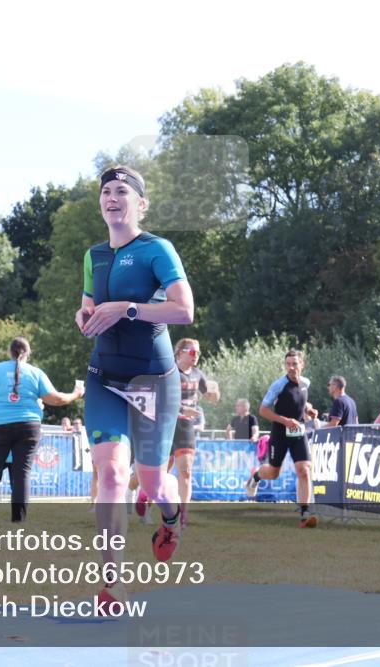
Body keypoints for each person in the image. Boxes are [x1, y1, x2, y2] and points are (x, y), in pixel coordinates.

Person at [75, 165, 193, 613]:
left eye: (122, 191)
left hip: (153, 380)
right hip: (104, 376)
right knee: (111, 476)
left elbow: (184, 310)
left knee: (153, 482)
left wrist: (126, 309)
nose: (112, 197)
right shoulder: (93, 255)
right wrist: (85, 318)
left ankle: (170, 517)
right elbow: (87, 307)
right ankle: (113, 583)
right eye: (106, 191)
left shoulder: (156, 250)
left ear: (140, 203)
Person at [0, 337, 84, 523]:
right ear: (28, 353)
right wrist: (76, 394)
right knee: (22, 473)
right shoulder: (35, 373)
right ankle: (18, 519)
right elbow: (56, 399)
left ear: (9, 352)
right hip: (28, 426)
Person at [244, 350, 320, 528]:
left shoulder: (305, 383)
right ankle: (255, 476)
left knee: (304, 470)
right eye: (288, 364)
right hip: (280, 433)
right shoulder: (278, 385)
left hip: (298, 431)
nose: (292, 368)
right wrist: (285, 421)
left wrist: (308, 410)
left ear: (302, 364)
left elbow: (299, 401)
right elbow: (263, 410)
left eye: (295, 364)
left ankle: (305, 514)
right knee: (273, 473)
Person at [165, 338, 219, 526]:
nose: (196, 356)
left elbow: (211, 397)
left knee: (185, 471)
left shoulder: (198, 374)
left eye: (198, 352)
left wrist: (214, 392)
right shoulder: (170, 371)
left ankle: (182, 514)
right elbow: (162, 400)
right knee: (160, 472)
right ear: (180, 352)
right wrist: (181, 409)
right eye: (192, 352)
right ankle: (142, 500)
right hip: (166, 424)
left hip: (185, 427)